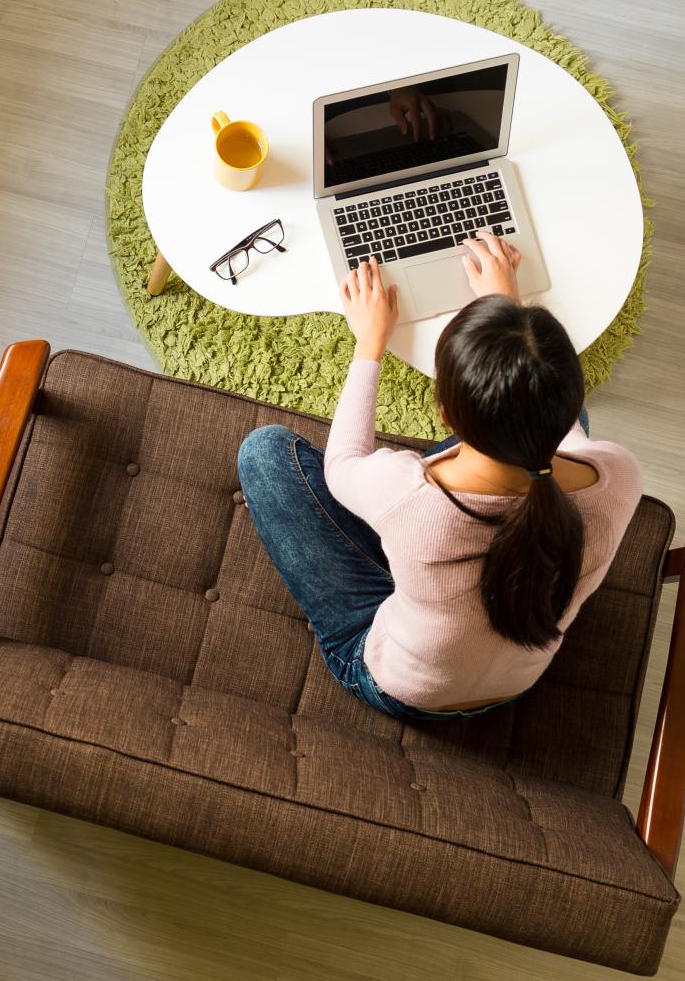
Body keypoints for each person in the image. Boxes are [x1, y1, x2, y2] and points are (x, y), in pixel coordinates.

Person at [236, 231, 643, 721]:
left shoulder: (411, 496)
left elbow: (342, 463)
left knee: (263, 453)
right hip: (519, 681)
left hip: (403, 685)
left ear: (445, 414)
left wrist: (370, 341)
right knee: (566, 436)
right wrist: (507, 318)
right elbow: (559, 419)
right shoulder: (619, 476)